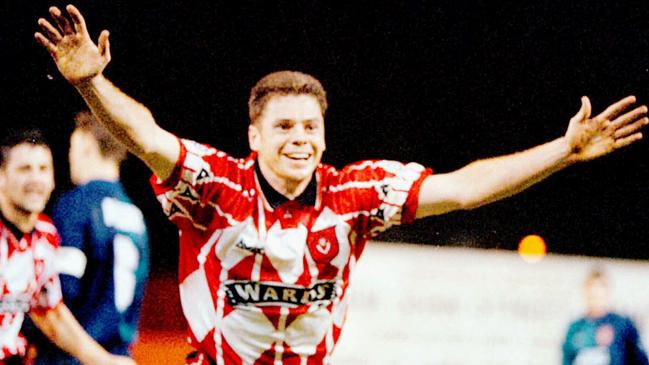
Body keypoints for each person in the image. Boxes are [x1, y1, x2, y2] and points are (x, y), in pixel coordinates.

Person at [34, 5, 648, 365]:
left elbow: (464, 189)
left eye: (310, 125)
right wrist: (90, 84)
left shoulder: (355, 196)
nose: (299, 137)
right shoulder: (215, 185)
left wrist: (564, 151)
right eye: (283, 127)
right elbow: (144, 134)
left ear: (325, 135)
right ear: (254, 137)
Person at [0, 128, 136, 365]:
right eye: (24, 169)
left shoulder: (45, 236)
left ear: (53, 179)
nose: (35, 179)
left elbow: (49, 311)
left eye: (43, 169)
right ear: (1, 176)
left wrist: (103, 360)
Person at [562, 268, 649, 365]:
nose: (595, 294)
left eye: (599, 290)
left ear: (607, 292)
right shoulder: (575, 328)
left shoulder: (622, 325)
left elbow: (640, 359)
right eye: (592, 291)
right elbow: (567, 359)